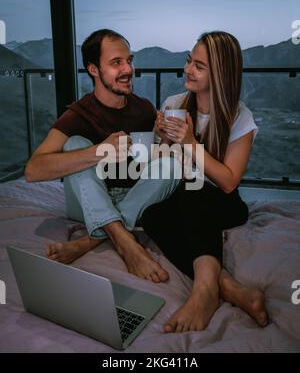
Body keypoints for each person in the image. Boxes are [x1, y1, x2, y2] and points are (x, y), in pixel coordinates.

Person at [25, 29, 182, 283]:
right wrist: (98, 152)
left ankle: (93, 239)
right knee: (75, 144)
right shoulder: (78, 114)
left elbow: (152, 164)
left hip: (133, 199)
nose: (128, 69)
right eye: (116, 62)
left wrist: (162, 141)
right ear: (94, 69)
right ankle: (125, 242)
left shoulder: (143, 108)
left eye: (129, 60)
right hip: (86, 202)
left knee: (174, 164)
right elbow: (33, 170)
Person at [141, 31, 269, 332]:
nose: (187, 69)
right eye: (189, 61)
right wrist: (161, 140)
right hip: (183, 195)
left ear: (221, 74)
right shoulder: (175, 102)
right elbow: (161, 164)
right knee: (151, 216)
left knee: (193, 191)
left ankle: (204, 294)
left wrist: (189, 141)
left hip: (224, 204)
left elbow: (228, 182)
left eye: (198, 66)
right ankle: (227, 287)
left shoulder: (240, 118)